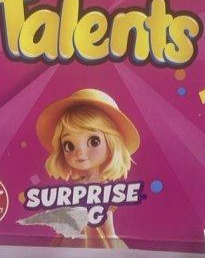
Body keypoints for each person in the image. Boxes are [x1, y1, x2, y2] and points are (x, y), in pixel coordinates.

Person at [36, 89, 141, 247]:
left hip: (95, 237)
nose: (80, 153)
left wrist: (111, 237)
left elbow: (107, 217)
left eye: (93, 141)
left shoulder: (104, 188)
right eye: (69, 145)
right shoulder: (77, 184)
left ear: (112, 144)